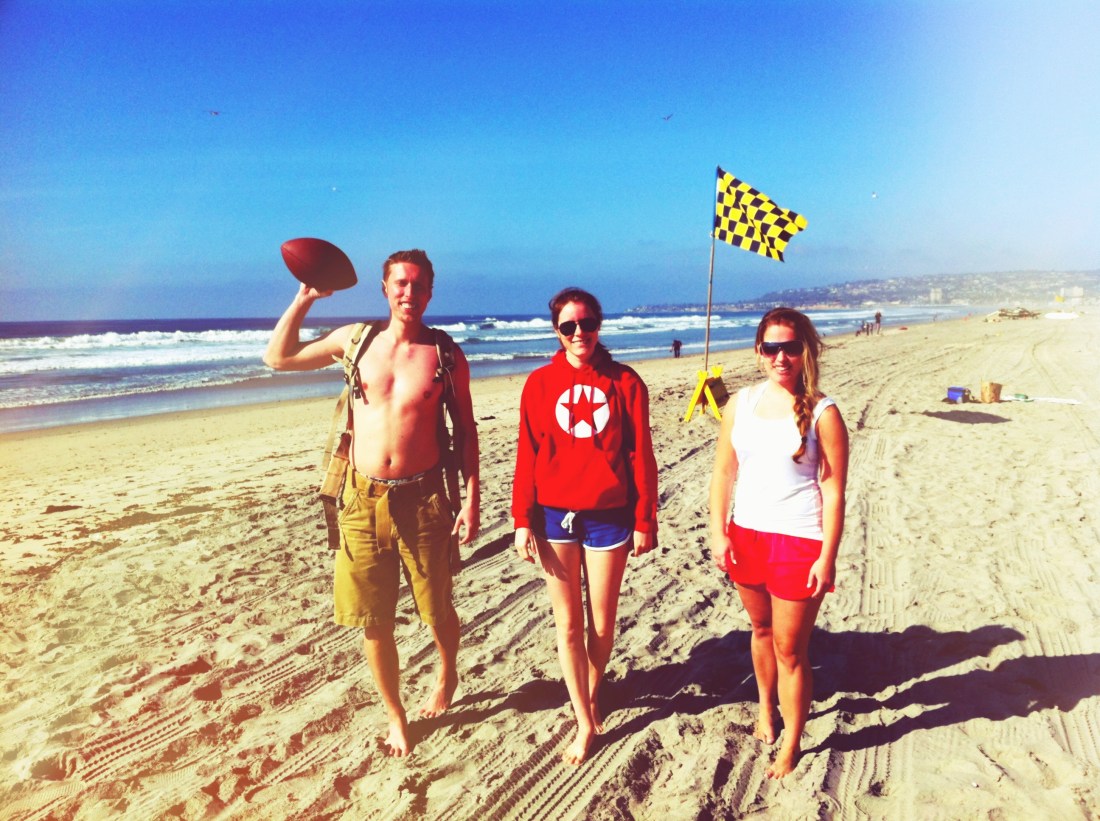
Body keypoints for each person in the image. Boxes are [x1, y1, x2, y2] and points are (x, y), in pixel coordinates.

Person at [264, 249, 480, 758]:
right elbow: (277, 358)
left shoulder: (445, 355)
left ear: (430, 292)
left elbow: (466, 431)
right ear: (385, 288)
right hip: (360, 501)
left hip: (425, 501)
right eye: (400, 283)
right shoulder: (355, 341)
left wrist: (471, 499)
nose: (409, 293)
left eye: (419, 285)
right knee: (373, 619)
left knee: (437, 612)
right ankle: (397, 715)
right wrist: (304, 298)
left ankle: (447, 670)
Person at [512, 287, 659, 766]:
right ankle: (582, 720)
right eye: (569, 326)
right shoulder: (538, 384)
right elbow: (527, 454)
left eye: (587, 323)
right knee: (568, 624)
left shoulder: (626, 383)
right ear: (556, 330)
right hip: (554, 516)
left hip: (609, 516)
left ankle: (593, 697)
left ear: (599, 324)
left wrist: (645, 520)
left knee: (601, 622)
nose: (579, 333)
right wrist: (522, 520)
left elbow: (641, 457)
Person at [708, 307, 849, 779]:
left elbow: (833, 491)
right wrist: (718, 529)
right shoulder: (740, 404)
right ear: (758, 351)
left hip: (799, 541)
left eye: (790, 347)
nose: (781, 357)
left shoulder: (824, 413)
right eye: (772, 348)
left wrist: (827, 556)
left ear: (805, 350)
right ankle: (765, 709)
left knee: (791, 650)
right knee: (761, 631)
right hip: (746, 535)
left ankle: (791, 740)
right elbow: (724, 471)